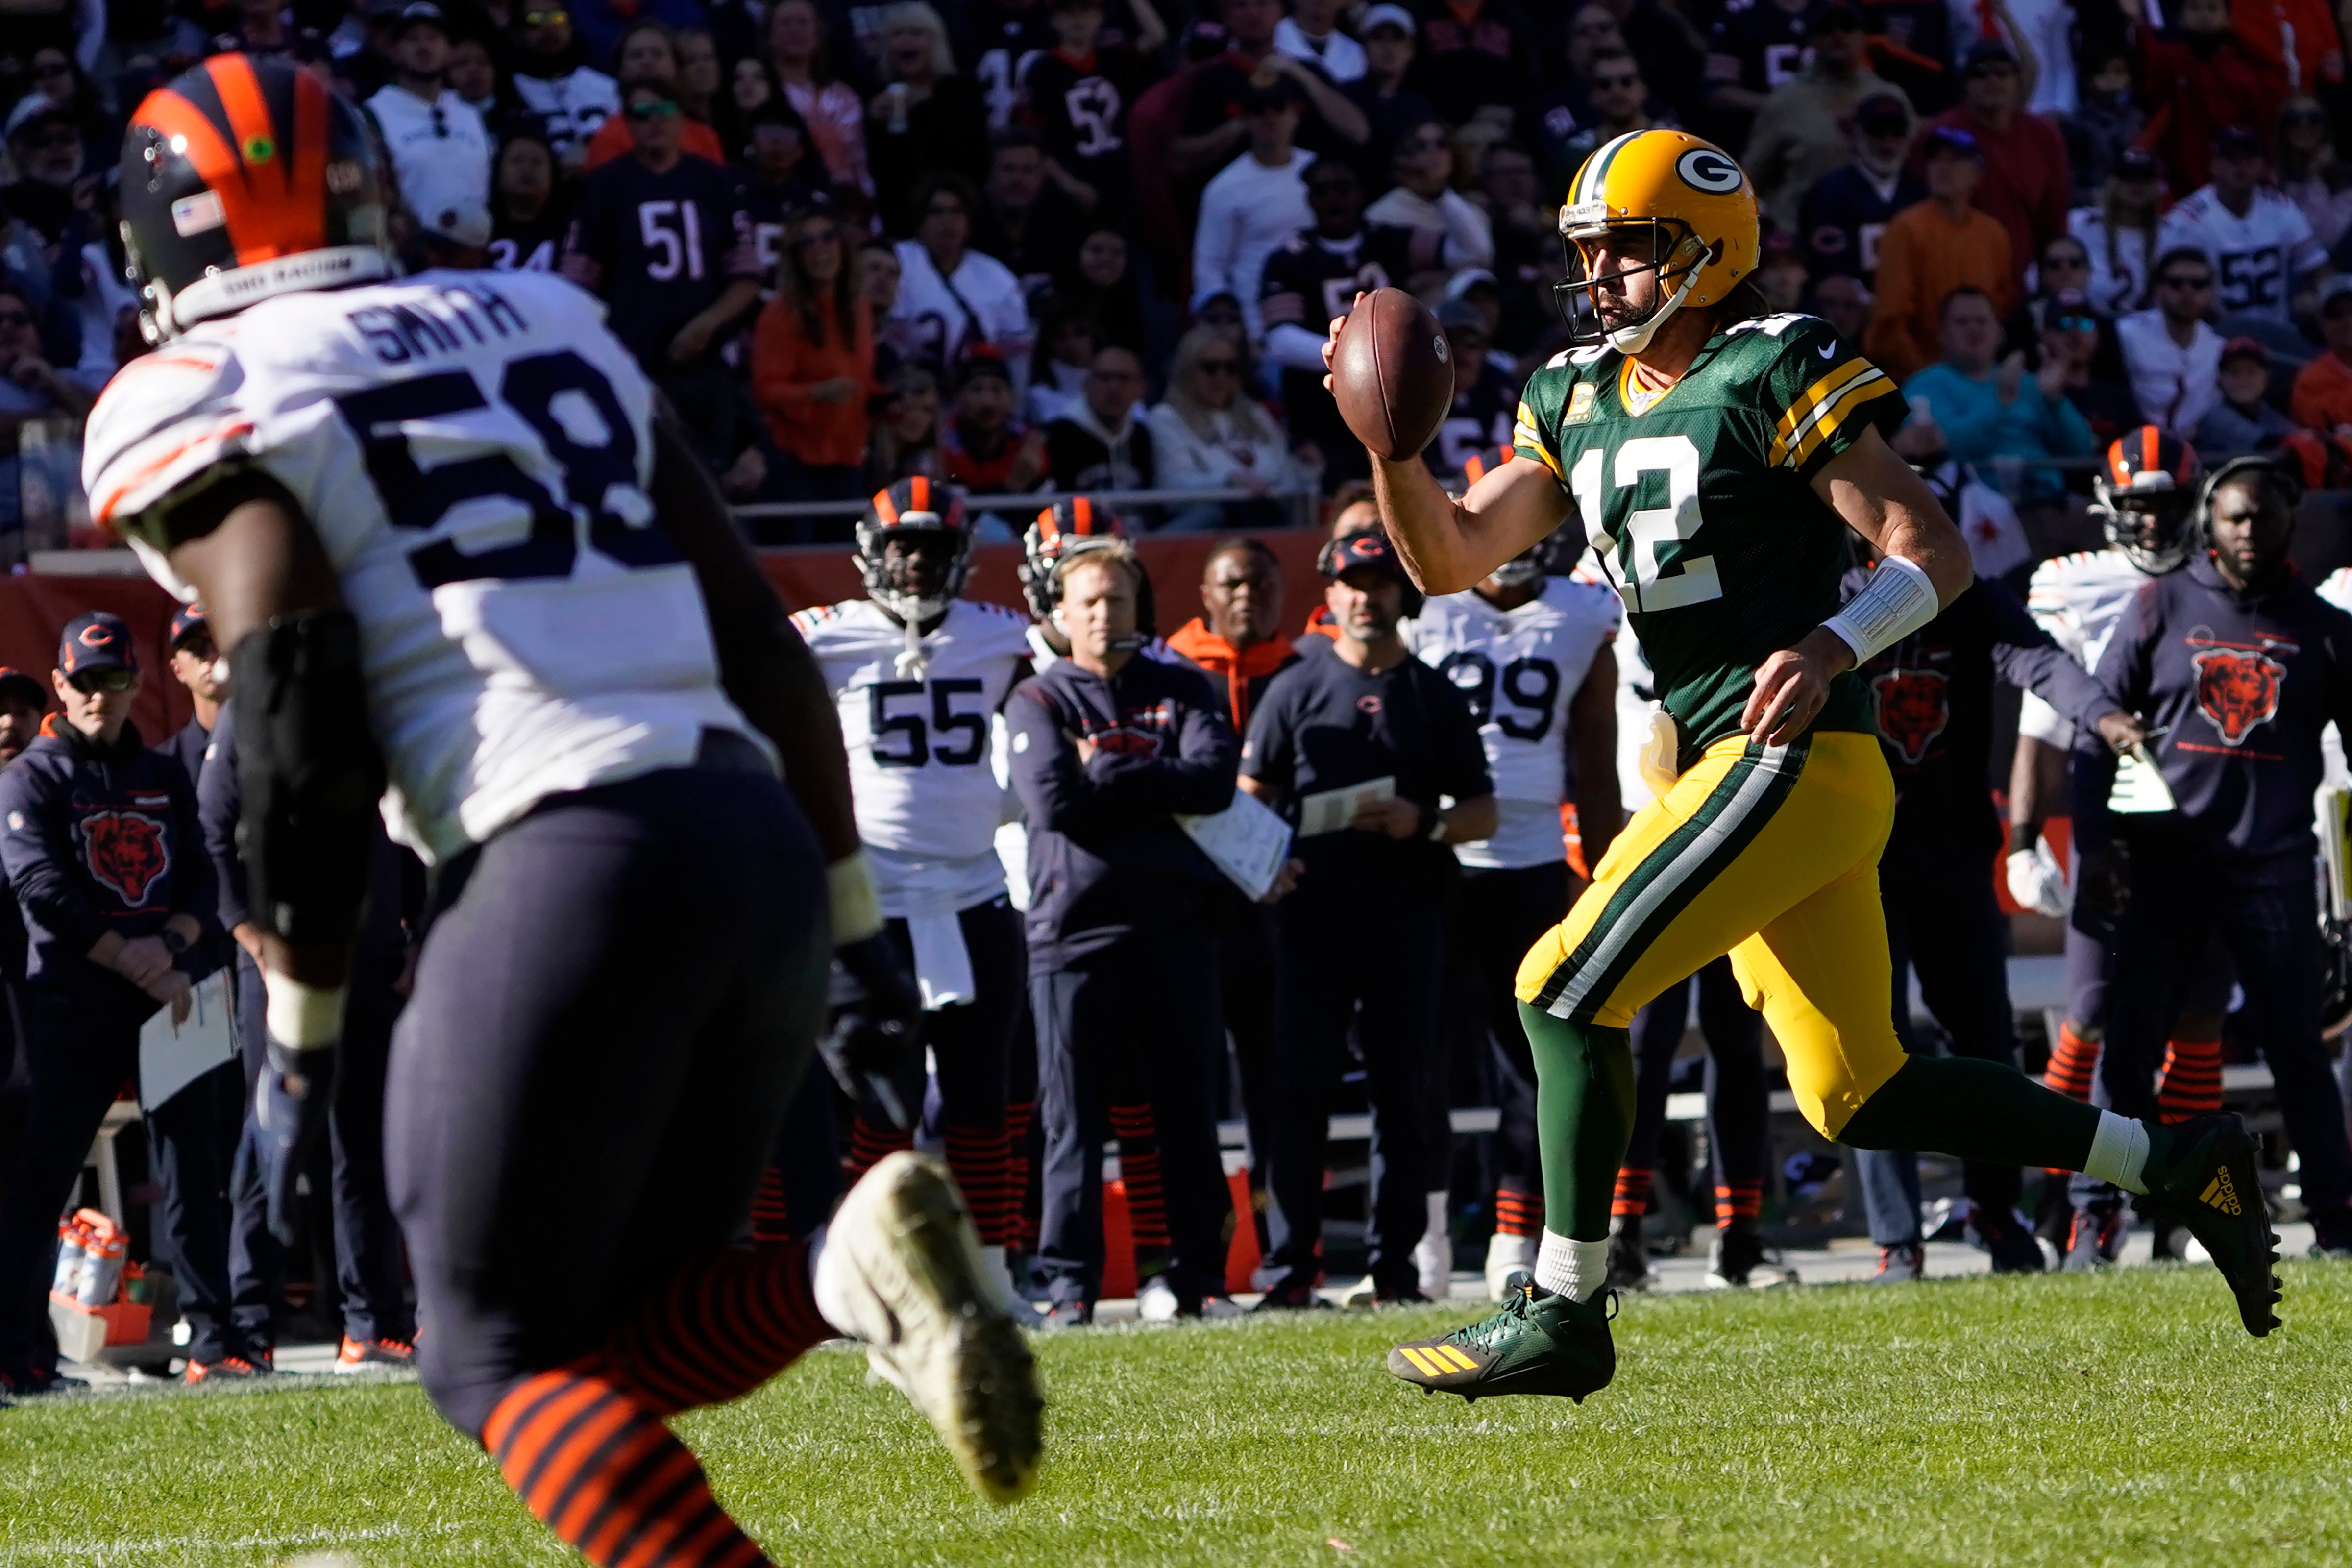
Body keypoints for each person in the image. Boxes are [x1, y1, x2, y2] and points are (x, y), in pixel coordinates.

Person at [80, 55, 1038, 1559]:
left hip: (557, 855)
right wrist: (850, 932)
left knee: (487, 1358)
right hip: (753, 839)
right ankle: (844, 1282)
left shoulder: (205, 388)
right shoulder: (545, 315)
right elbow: (762, 648)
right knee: (622, 1326)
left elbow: (293, 697)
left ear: (169, 242)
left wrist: (298, 1043)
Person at [1361, 128, 2279, 1403]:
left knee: (1559, 990)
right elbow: (1452, 558)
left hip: (1787, 753)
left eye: (1629, 247)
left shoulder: (1769, 363)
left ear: (1708, 246)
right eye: (1592, 252)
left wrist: (1833, 642)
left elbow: (1934, 550)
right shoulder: (1570, 394)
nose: (1606, 275)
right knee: (1857, 1088)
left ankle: (1566, 1306)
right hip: (1725, 774)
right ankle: (2175, 1165)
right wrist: (1388, 447)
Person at [1835, 511, 2141, 1281]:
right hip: (1854, 860)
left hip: (1956, 856)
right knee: (1873, 1049)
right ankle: (1897, 1240)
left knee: (1987, 1042)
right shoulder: (1821, 596)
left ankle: (1996, 1214)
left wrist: (2103, 716)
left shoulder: (1965, 593)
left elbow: (2042, 661)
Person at [2072, 454, 2352, 1259]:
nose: (2249, 530)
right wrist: (2094, 842)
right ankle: (2096, 1222)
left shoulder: (2323, 628)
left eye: (2263, 516)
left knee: (2298, 1049)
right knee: (2128, 1049)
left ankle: (2335, 1222)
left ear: (2290, 518)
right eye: (2234, 517)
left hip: (2276, 873)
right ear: (2210, 522)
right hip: (2171, 866)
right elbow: (2096, 728)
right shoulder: (2160, 603)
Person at [792, 480, 1038, 1309]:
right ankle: (865, 1274)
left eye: (933, 547)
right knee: (875, 1098)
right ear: (873, 549)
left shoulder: (1003, 637)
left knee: (984, 1098)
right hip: (875, 897)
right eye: (903, 544)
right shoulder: (826, 636)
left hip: (976, 891)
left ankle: (992, 1274)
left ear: (961, 555)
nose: (916, 561)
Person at [1241, 529, 1498, 1307]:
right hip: (1309, 924)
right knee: (1298, 1095)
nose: (1365, 596)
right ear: (1329, 594)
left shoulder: (1431, 692)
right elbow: (1249, 795)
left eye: (1380, 583)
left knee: (1406, 1097)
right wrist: (1267, 865)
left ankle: (1393, 1271)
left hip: (1408, 920)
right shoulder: (1293, 687)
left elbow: (1482, 811)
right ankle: (1289, 1272)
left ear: (1403, 594)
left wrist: (1420, 823)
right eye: (1351, 583)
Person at [2006, 430, 2241, 1259]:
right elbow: (2041, 720)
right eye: (2137, 508)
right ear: (2111, 510)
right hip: (2110, 816)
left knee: (2201, 1016)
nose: (2150, 526)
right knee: (2095, 1012)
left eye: (2166, 508)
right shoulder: (2073, 585)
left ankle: (2186, 1209)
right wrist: (2024, 840)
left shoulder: (2218, 577)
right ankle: (2068, 1187)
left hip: (2204, 820)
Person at [1008, 541, 1244, 1324]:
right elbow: (1052, 807)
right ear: (1060, 615)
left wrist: (1107, 767)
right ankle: (1070, 1289)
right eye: (1091, 602)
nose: (1107, 614)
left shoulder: (1186, 686)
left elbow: (1211, 784)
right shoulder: (1037, 701)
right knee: (1072, 1127)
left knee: (1187, 1120)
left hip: (1176, 929)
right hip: (1071, 939)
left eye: (1119, 599)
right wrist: (1150, 774)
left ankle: (1201, 1280)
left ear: (1141, 606)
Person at [0, 613, 220, 1392]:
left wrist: (173, 951)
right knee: (42, 1178)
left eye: (115, 680)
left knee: (201, 1162)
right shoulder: (32, 775)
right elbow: (43, 891)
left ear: (136, 683)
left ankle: (218, 1342)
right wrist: (138, 961)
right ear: (62, 685)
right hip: (71, 1002)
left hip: (165, 997)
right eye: (85, 682)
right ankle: (15, 1355)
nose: (100, 696)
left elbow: (200, 874)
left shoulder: (161, 775)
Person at [1405, 536, 1620, 1299]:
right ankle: (1420, 1237)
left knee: (1527, 1064)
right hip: (1435, 857)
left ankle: (1511, 1234)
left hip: (1529, 861)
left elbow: (1597, 756)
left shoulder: (1583, 613)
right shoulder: (1422, 606)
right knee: (1419, 1059)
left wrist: (1602, 876)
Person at [561, 75, 764, 469]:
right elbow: (575, 285)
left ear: (681, 118)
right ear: (627, 122)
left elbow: (747, 274)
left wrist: (707, 323)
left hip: (705, 366)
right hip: (633, 363)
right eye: (642, 114)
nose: (654, 123)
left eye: (664, 112)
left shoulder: (714, 181)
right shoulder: (605, 186)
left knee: (710, 481)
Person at [1259, 157, 1445, 493]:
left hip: (1399, 402)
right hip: (1322, 410)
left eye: (1343, 189)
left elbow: (1474, 250)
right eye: (1323, 191)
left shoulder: (1388, 240)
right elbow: (1280, 340)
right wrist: (1362, 359)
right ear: (1310, 200)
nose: (1334, 199)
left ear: (1360, 193)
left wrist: (1440, 193)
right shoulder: (1289, 258)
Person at [1900, 286, 2096, 511]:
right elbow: (1939, 449)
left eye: (1982, 321)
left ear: (1999, 333)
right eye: (1962, 322)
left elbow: (2082, 451)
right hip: (1969, 510)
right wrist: (2000, 404)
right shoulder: (1925, 386)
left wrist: (2056, 402)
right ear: (1943, 334)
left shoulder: (2028, 383)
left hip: (2047, 502)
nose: (1973, 329)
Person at [752, 206, 877, 509]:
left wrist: (891, 402)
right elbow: (766, 390)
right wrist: (817, 393)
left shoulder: (858, 308)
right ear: (795, 256)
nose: (820, 249)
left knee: (843, 554)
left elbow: (860, 380)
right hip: (796, 461)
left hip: (847, 457)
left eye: (828, 238)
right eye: (807, 243)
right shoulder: (780, 314)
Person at [1865, 126, 2014, 380]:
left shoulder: (1994, 235)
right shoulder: (1907, 229)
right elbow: (1891, 322)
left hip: (1980, 375)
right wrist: (1929, 378)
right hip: (1917, 375)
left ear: (1977, 174)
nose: (1943, 168)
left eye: (1955, 160)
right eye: (1936, 160)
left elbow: (2000, 309)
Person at [1928, 40, 2072, 297]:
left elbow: (2054, 217)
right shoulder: (1942, 135)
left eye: (2002, 73)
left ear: (2018, 80)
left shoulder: (2044, 137)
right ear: (1965, 84)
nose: (1992, 80)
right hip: (1955, 280)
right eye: (1980, 74)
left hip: (2024, 284)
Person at [2156, 126, 2332, 335]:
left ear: (2262, 165)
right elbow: (2170, 291)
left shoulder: (2282, 207)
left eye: (2249, 158)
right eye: (2231, 158)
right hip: (2211, 335)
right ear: (2214, 165)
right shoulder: (2186, 220)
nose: (2241, 166)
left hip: (2279, 333)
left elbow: (2320, 269)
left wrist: (2318, 296)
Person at [1742, 6, 1904, 233]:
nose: (1838, 36)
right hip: (1802, 239)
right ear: (1813, 40)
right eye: (1827, 29)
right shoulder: (1784, 103)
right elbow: (1750, 179)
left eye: (1848, 28)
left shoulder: (1890, 97)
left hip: (1877, 239)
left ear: (1863, 38)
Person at [1148, 325, 1311, 529]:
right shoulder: (1166, 417)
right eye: (1210, 368)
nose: (1221, 377)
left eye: (1230, 368)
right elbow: (1173, 488)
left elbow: (1287, 476)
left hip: (1267, 518)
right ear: (1187, 370)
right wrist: (1229, 479)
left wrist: (1307, 467)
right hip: (1207, 527)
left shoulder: (1256, 414)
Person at [366, 2, 494, 257]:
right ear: (394, 51)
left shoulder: (472, 113)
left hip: (477, 256)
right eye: (412, 40)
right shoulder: (374, 114)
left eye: (434, 38)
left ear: (448, 50)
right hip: (413, 258)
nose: (424, 47)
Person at [1192, 77, 1315, 343]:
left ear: (1295, 115)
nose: (1269, 118)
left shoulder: (1320, 174)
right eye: (1259, 110)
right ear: (1246, 120)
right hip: (1259, 331)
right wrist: (1233, 333)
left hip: (1323, 318)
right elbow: (1209, 267)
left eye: (1279, 108)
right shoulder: (1224, 188)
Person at [890, 172, 1034, 387]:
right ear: (920, 222)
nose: (948, 221)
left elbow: (1016, 365)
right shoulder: (897, 262)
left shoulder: (998, 279)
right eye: (936, 212)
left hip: (971, 406)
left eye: (957, 212)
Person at [866, 1, 990, 203]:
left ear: (936, 42)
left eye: (916, 33)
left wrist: (923, 107)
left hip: (959, 205)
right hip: (899, 210)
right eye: (898, 34)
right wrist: (872, 121)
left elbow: (972, 154)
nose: (906, 40)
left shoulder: (962, 91)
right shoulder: (876, 95)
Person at [1798, 89, 1922, 283]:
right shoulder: (1829, 194)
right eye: (1877, 131)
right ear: (1857, 134)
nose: (1888, 142)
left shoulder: (1920, 192)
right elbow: (1824, 270)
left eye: (1897, 132)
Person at [2117, 246, 2227, 436]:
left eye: (2198, 284)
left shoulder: (2218, 347)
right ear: (2158, 289)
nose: (2187, 291)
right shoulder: (2126, 334)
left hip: (2198, 449)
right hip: (2134, 443)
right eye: (2176, 284)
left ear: (2210, 292)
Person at [1365, 118, 1495, 271]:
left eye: (1442, 144)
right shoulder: (1382, 214)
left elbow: (1482, 256)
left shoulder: (1472, 212)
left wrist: (1439, 195)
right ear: (1404, 158)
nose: (1433, 152)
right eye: (1421, 146)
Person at [511, 1, 621, 167]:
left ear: (571, 25)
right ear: (520, 31)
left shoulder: (608, 86)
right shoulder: (508, 90)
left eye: (558, 18)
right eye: (535, 20)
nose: (548, 27)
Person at [2072, 145, 2168, 317]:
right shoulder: (2080, 224)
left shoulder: (2171, 234)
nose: (2137, 185)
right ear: (2113, 183)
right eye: (2129, 178)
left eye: (2145, 179)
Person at [1043, 345, 1155, 492]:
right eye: (1104, 378)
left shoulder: (1143, 437)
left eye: (1124, 379)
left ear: (1141, 388)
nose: (1114, 387)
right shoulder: (1056, 437)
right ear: (1086, 385)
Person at [2199, 336, 2300, 457]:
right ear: (2220, 380)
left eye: (2252, 372)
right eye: (2234, 373)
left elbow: (2296, 434)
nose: (2243, 380)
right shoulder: (2216, 417)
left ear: (2267, 379)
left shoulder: (2266, 412)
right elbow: (2265, 442)